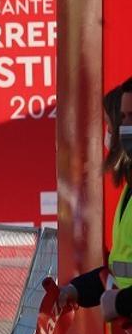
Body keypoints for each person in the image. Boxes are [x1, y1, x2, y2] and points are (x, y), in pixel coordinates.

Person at [59, 79, 132, 319]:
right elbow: (118, 270)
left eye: (128, 119)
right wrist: (77, 290)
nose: (118, 132)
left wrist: (121, 303)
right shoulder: (128, 192)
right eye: (122, 118)